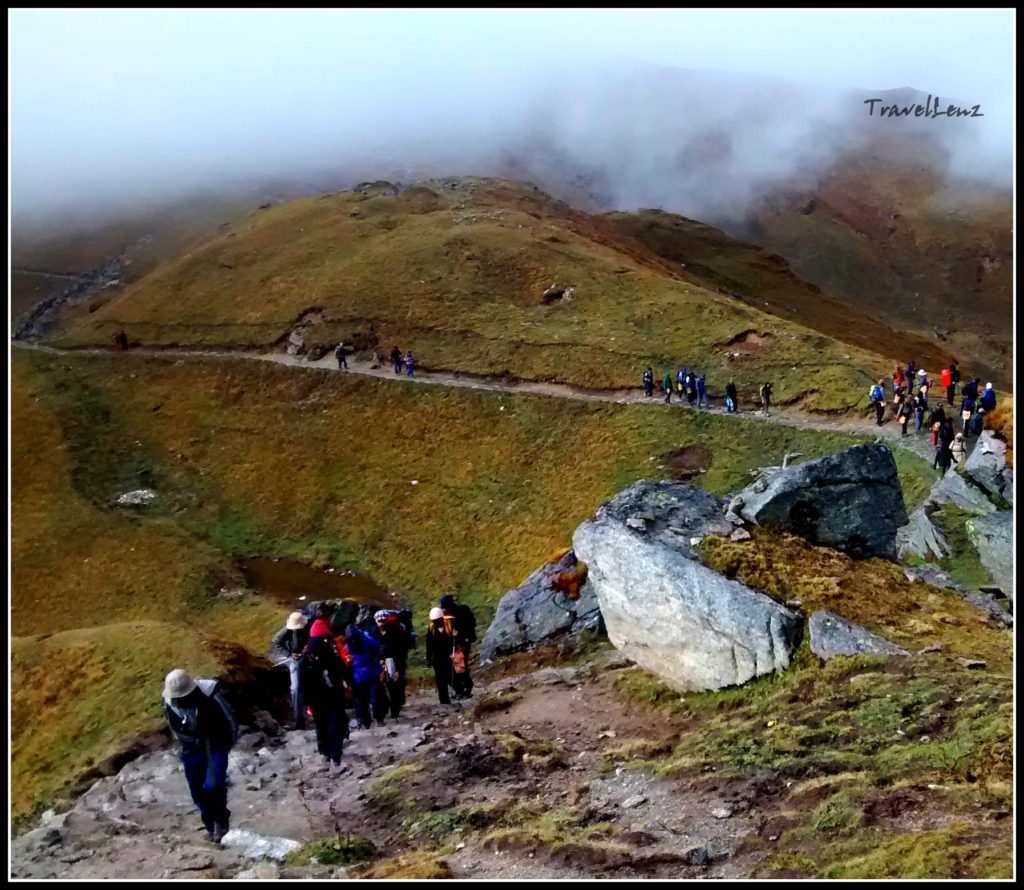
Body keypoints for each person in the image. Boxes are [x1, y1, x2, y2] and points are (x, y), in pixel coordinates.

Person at [162, 669, 238, 843]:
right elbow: (172, 725)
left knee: (213, 785)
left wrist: (229, 743)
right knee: (196, 791)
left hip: (215, 744)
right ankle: (211, 826)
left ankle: (221, 822)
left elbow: (230, 717)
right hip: (190, 749)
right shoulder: (168, 703)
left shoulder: (211, 696)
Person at [300, 623, 351, 771]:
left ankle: (336, 755)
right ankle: (325, 752)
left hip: (334, 696)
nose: (314, 656)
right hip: (317, 699)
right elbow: (303, 684)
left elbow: (342, 670)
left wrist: (349, 685)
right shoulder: (306, 661)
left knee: (336, 725)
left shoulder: (330, 655)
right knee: (321, 727)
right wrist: (306, 703)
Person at [269, 611, 310, 730]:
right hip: (294, 660)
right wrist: (289, 655)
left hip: (306, 657)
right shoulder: (284, 632)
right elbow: (276, 642)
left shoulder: (307, 627)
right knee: (296, 688)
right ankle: (299, 722)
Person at [344, 624, 387, 728]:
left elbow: (379, 649)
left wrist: (380, 661)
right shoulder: (348, 646)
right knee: (361, 700)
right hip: (359, 675)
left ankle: (377, 718)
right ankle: (365, 720)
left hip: (370, 672)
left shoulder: (366, 639)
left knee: (374, 698)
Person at [374, 610, 414, 719]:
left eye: (383, 620)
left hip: (394, 661)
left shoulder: (395, 632)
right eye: (379, 621)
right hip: (380, 662)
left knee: (393, 686)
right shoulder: (374, 633)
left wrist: (398, 668)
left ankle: (394, 711)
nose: (381, 623)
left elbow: (400, 650)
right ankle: (383, 709)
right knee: (380, 687)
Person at [440, 594, 476, 700]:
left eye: (445, 607)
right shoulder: (449, 615)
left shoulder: (461, 613)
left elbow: (466, 627)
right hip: (453, 644)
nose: (444, 609)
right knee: (454, 667)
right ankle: (460, 689)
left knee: (460, 666)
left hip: (462, 643)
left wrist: (460, 635)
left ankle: (466, 688)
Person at [425, 606, 453, 705]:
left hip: (449, 656)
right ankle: (444, 700)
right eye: (434, 621)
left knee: (450, 675)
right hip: (437, 658)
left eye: (437, 620)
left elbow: (454, 640)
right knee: (440, 679)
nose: (435, 623)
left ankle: (458, 691)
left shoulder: (449, 625)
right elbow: (429, 644)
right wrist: (428, 658)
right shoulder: (431, 628)